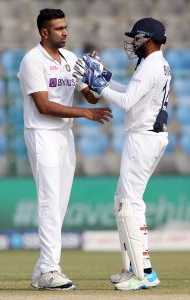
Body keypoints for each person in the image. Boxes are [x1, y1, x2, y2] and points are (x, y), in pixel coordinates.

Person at [17, 8, 112, 291]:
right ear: (44, 32)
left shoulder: (71, 59)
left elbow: (91, 97)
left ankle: (41, 272)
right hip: (41, 133)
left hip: (64, 135)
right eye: (59, 28)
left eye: (66, 27)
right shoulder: (32, 60)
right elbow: (43, 106)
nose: (65, 32)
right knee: (49, 201)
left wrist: (98, 78)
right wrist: (84, 114)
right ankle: (49, 269)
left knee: (58, 206)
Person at [74, 17, 171, 290]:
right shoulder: (154, 63)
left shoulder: (151, 65)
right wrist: (105, 80)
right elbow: (130, 93)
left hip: (143, 137)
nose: (133, 43)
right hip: (146, 136)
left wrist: (100, 85)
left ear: (149, 39)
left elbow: (127, 103)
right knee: (123, 201)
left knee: (129, 203)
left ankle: (143, 274)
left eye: (137, 38)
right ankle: (135, 268)